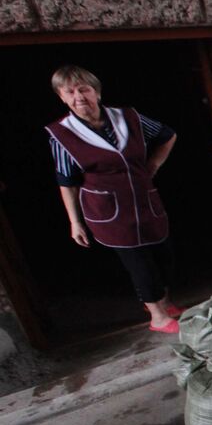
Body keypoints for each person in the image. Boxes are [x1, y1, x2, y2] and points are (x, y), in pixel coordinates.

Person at [45, 65, 183, 333]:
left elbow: (167, 135)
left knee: (163, 254)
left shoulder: (127, 117)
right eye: (70, 92)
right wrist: (75, 222)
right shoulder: (61, 134)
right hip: (108, 209)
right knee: (138, 261)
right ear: (62, 98)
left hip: (145, 200)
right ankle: (158, 317)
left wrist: (153, 165)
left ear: (96, 92)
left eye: (84, 89)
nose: (79, 97)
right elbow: (67, 181)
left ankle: (164, 303)